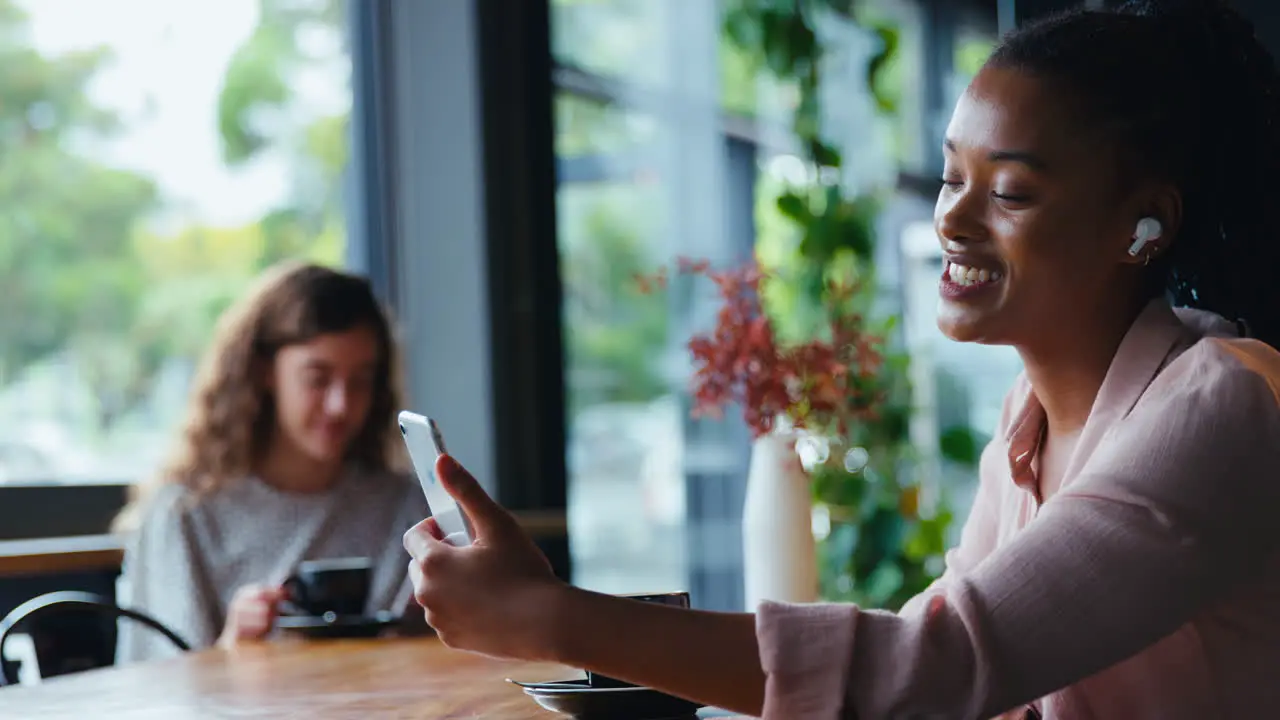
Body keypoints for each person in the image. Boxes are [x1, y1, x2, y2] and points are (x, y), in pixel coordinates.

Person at [401, 1, 1280, 717]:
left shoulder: (1222, 406)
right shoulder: (1029, 420)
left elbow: (938, 666)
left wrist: (553, 618)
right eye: (949, 178)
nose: (953, 220)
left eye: (1009, 190)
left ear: (1146, 224)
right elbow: (947, 663)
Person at [115, 262, 428, 662]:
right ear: (265, 372)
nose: (341, 405)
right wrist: (230, 650)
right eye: (317, 378)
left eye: (361, 381)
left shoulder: (404, 507)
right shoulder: (184, 515)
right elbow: (155, 689)